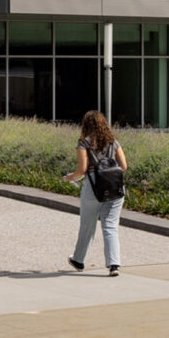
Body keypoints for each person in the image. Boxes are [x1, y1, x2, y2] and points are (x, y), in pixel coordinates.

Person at [62, 110, 128, 276]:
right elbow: (124, 166)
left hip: (93, 187)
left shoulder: (84, 143)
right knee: (110, 225)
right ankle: (114, 265)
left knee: (87, 225)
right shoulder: (113, 142)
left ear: (86, 125)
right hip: (115, 186)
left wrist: (70, 178)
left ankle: (78, 260)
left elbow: (82, 170)